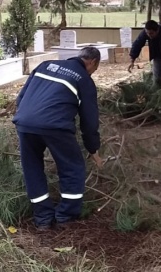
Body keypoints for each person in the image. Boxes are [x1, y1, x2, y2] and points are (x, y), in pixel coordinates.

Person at [13, 46, 104, 230]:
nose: (93, 73)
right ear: (92, 62)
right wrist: (92, 148)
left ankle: (43, 218)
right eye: (95, 69)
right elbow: (89, 120)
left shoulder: (46, 65)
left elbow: (21, 97)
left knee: (32, 169)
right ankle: (65, 217)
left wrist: (26, 120)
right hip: (55, 126)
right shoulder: (84, 80)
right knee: (72, 167)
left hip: (25, 122)